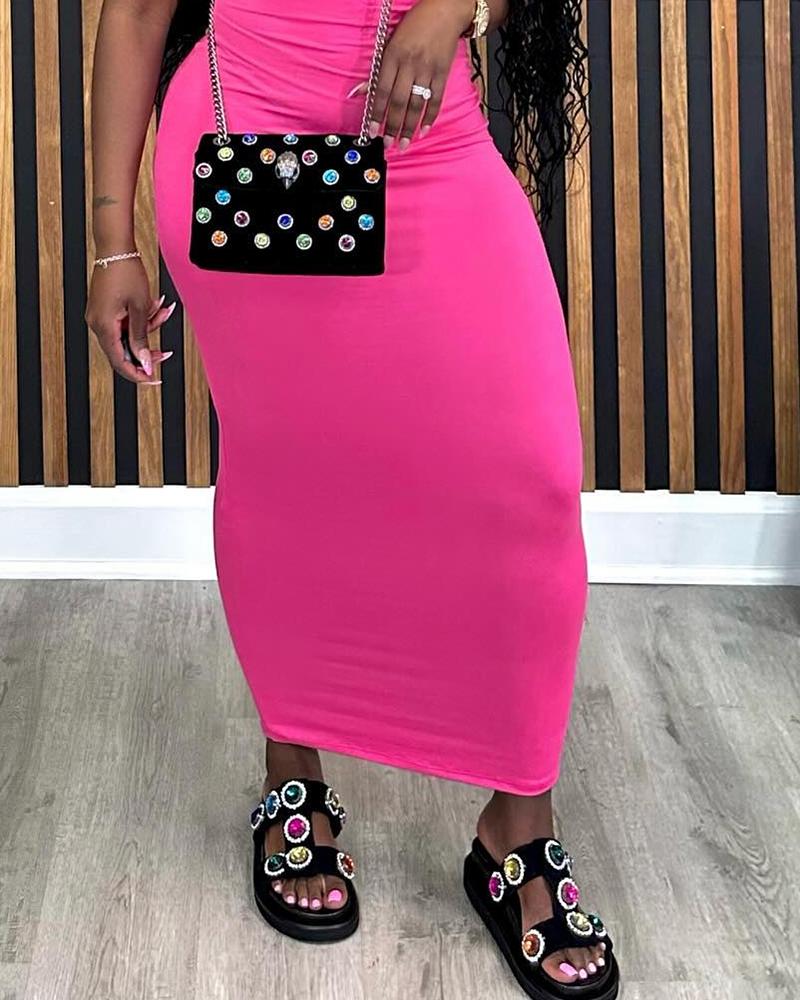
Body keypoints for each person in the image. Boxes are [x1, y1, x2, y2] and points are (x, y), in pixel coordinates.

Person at [85, 1, 619, 996]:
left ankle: (516, 823)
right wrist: (112, 240)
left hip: (426, 144)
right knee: (291, 473)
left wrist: (455, 9)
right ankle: (293, 773)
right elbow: (138, 13)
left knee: (531, 476)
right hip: (248, 145)